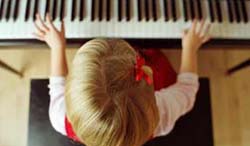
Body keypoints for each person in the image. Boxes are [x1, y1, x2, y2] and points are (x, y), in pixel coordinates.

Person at [33, 13, 211, 146]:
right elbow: (187, 89)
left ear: (72, 91)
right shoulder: (161, 113)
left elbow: (57, 84)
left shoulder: (58, 117)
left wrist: (57, 47)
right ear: (145, 75)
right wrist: (190, 47)